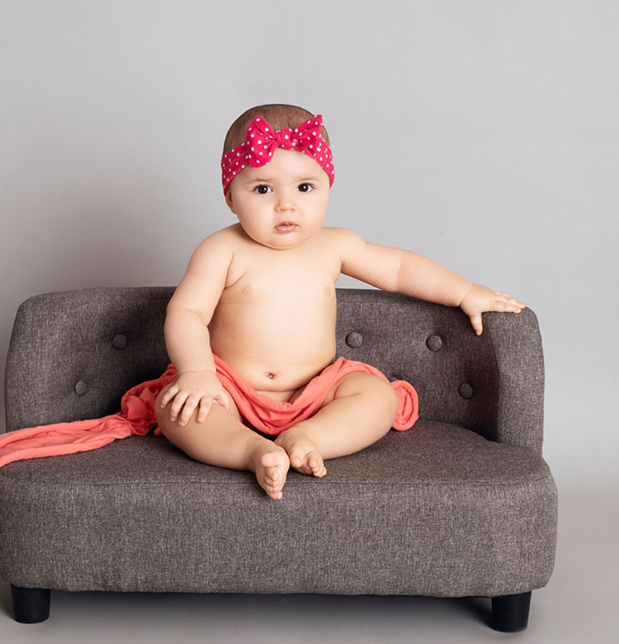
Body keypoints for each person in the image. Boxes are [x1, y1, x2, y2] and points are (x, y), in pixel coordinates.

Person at [155, 103, 526, 501]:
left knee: (379, 397)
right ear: (230, 196)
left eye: (304, 187)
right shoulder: (221, 249)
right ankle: (251, 451)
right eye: (263, 189)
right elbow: (187, 312)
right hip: (231, 389)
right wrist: (197, 372)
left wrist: (464, 291)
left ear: (328, 186)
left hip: (316, 392)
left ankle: (308, 437)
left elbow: (399, 268)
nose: (286, 204)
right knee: (177, 409)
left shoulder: (334, 245)